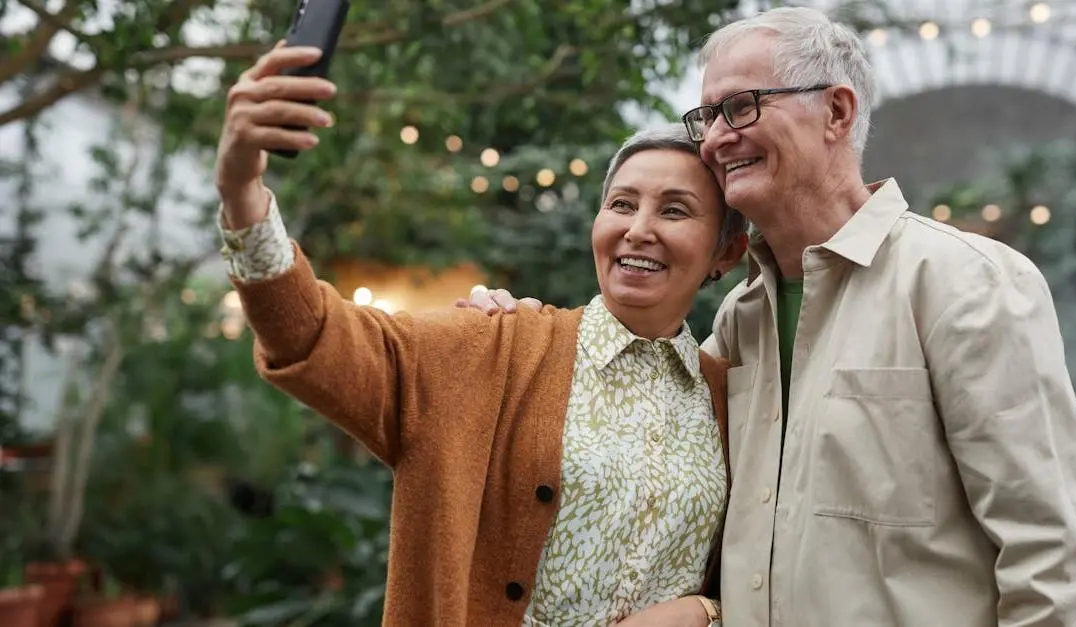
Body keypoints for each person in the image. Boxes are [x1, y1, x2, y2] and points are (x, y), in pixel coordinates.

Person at [463, 7, 1076, 627]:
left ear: (836, 111)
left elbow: (1057, 562)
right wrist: (518, 340)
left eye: (741, 106)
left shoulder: (964, 282)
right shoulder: (736, 326)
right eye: (708, 115)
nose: (717, 138)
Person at [213, 44, 749, 627]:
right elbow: (312, 337)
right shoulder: (491, 347)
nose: (638, 230)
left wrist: (706, 610)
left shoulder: (735, 397)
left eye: (675, 211)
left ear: (726, 251)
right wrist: (242, 192)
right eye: (621, 204)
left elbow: (769, 564)